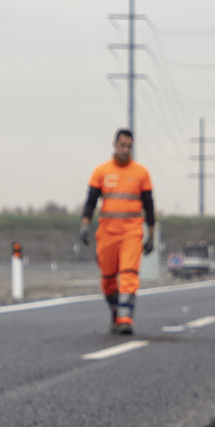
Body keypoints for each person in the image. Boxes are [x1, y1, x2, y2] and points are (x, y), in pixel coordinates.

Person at [79, 128, 154, 335]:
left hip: (131, 233)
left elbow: (149, 205)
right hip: (107, 233)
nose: (125, 149)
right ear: (114, 145)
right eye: (122, 145)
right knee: (108, 278)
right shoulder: (101, 172)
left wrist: (151, 233)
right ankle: (115, 311)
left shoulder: (141, 173)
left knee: (129, 274)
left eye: (129, 146)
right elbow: (91, 200)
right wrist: (85, 224)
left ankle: (125, 319)